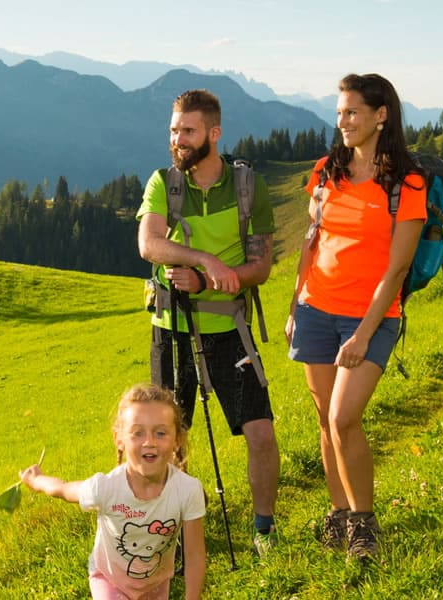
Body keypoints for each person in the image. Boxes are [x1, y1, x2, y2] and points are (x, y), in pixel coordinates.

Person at [135, 89, 281, 553]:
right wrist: (203, 261)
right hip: (171, 329)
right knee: (167, 440)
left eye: (188, 130)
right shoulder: (163, 183)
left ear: (214, 134)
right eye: (174, 130)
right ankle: (171, 536)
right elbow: (149, 244)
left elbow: (262, 267)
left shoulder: (247, 187)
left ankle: (264, 531)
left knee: (259, 431)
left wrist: (212, 280)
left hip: (229, 332)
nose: (178, 139)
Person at [287, 73, 425, 561]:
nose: (342, 121)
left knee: (345, 417)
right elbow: (311, 240)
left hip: (370, 317)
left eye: (352, 113)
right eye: (339, 112)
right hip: (315, 310)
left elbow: (398, 268)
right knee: (326, 421)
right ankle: (339, 513)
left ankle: (364, 525)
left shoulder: (406, 183)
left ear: (380, 115)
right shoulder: (327, 171)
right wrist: (294, 305)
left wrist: (364, 334)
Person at [21, 384, 206, 600]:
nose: (149, 442)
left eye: (161, 433)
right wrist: (37, 480)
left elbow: (194, 556)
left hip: (156, 583)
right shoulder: (106, 488)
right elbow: (63, 489)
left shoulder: (188, 490)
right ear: (119, 439)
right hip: (109, 580)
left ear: (177, 440)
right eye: (137, 433)